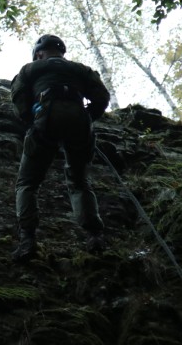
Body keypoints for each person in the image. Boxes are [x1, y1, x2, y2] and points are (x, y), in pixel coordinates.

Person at [10, 35, 111, 262]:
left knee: (27, 182)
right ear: (61, 52)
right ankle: (95, 236)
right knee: (79, 180)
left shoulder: (30, 69)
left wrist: (30, 119)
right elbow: (102, 95)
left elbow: (18, 96)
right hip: (78, 118)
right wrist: (89, 117)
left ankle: (28, 239)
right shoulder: (80, 69)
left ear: (40, 53)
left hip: (46, 115)